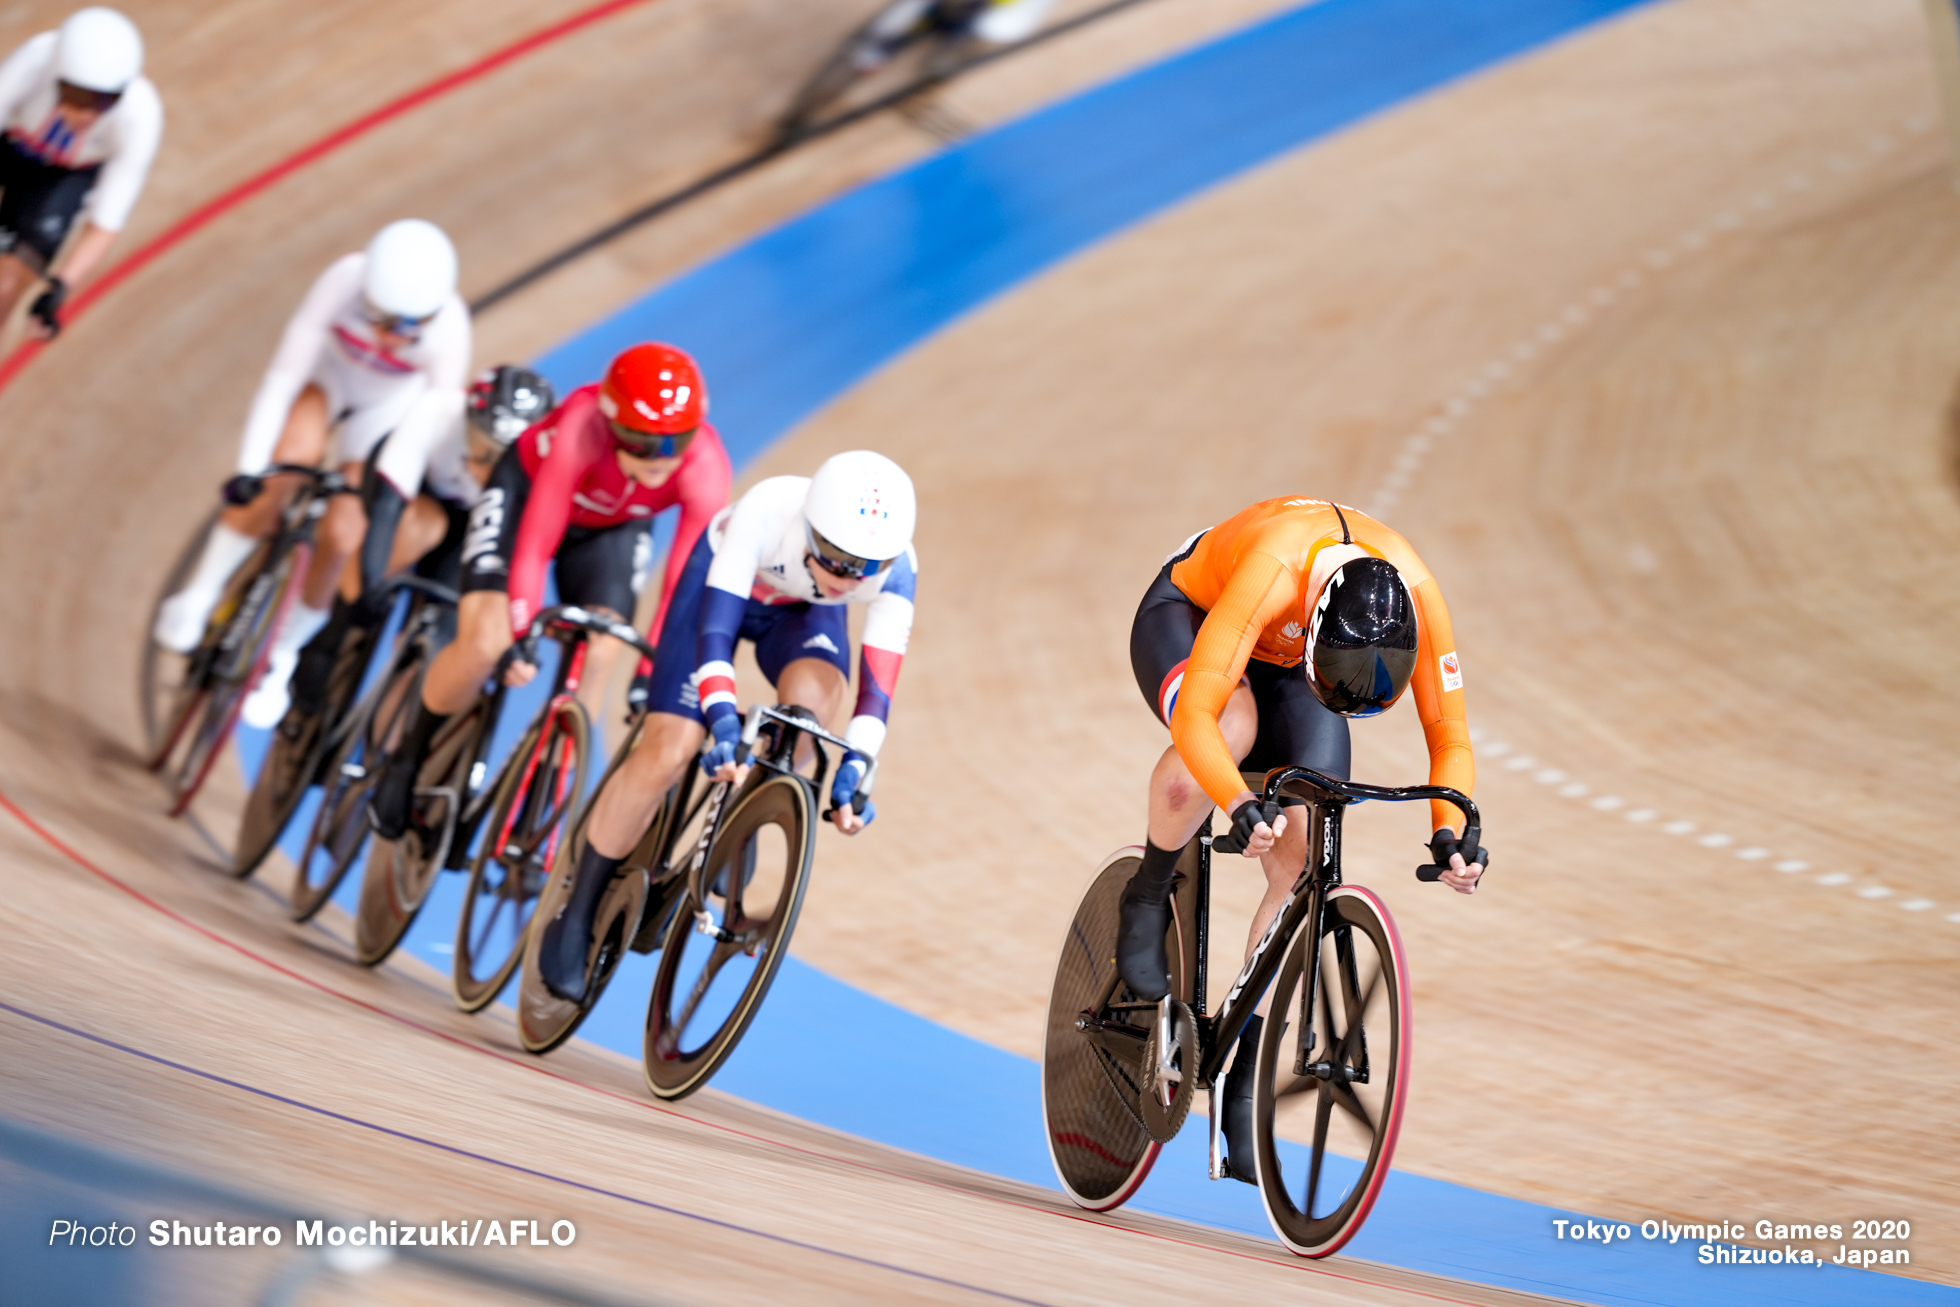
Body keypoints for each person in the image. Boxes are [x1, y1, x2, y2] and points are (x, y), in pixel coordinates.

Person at [1121, 496, 1485, 1181]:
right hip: (1193, 618)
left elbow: (1451, 736)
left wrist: (1448, 832)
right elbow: (1197, 712)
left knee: (1302, 853)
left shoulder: (1418, 590)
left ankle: (1242, 1074)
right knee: (1231, 729)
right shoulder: (1274, 565)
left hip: (1298, 662)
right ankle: (1145, 893)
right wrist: (1235, 800)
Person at [533, 449, 918, 1002]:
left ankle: (749, 808)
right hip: (720, 594)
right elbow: (714, 637)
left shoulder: (896, 570)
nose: (846, 577)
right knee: (671, 747)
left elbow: (876, 693)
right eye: (833, 556)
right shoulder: (764, 510)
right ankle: (578, 908)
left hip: (800, 615)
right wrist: (718, 721)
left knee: (812, 714)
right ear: (808, 528)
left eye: (864, 567)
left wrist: (856, 766)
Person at [365, 341, 732, 841]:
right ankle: (405, 760)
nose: (659, 459)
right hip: (526, 496)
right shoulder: (581, 425)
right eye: (640, 442)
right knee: (485, 644)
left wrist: (648, 673)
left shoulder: (706, 467)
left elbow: (680, 588)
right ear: (610, 423)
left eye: (675, 442)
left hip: (611, 530)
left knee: (605, 645)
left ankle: (546, 795)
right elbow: (535, 544)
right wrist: (521, 629)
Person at [151, 218, 470, 728]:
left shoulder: (450, 330)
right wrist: (251, 468)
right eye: (384, 320)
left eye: (411, 329)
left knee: (343, 536)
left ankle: (282, 656)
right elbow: (283, 379)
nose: (394, 338)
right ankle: (200, 593)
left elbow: (428, 429)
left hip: (383, 411)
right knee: (288, 465)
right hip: (327, 380)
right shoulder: (344, 280)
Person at [281, 365, 557, 727]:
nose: (489, 466)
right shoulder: (436, 412)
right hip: (411, 497)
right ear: (466, 419)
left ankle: (387, 750)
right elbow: (386, 509)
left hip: (469, 527)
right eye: (482, 447)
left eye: (503, 457)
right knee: (420, 529)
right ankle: (326, 642)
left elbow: (520, 559)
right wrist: (369, 583)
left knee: (447, 632)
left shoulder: (545, 467)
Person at [0, 7, 161, 337]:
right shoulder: (32, 61)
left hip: (61, 178)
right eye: (76, 96)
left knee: (4, 286)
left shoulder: (141, 117)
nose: (87, 113)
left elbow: (104, 225)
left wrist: (59, 288)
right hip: (11, 144)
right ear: (56, 75)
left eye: (104, 101)